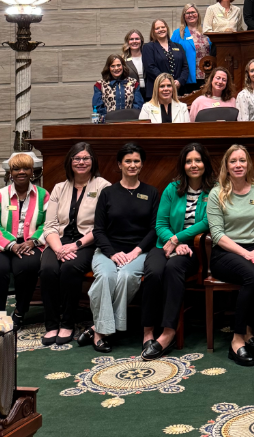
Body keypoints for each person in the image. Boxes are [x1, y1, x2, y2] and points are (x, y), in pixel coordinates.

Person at [79, 143, 159, 353]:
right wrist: (113, 253)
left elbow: (154, 230)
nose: (132, 165)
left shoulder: (151, 193)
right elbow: (98, 230)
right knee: (105, 277)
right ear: (119, 164)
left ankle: (99, 330)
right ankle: (101, 331)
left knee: (125, 277)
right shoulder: (108, 193)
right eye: (128, 161)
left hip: (139, 253)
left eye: (136, 161)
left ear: (142, 164)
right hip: (107, 251)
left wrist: (136, 251)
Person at [141, 143, 215, 360]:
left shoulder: (215, 189)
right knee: (153, 272)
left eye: (198, 160)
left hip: (194, 249)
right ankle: (147, 331)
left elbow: (207, 222)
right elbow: (160, 223)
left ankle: (168, 332)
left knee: (173, 268)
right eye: (189, 161)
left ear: (205, 163)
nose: (194, 165)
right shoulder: (172, 188)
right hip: (163, 244)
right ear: (183, 165)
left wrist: (178, 239)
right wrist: (171, 240)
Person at [207, 144, 254, 367]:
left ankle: (248, 331)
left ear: (248, 164)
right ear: (226, 165)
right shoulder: (217, 193)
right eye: (233, 161)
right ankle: (236, 340)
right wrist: (247, 254)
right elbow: (216, 234)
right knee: (252, 276)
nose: (238, 165)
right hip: (225, 253)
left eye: (242, 160)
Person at [40, 143, 110, 346]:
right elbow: (50, 225)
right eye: (76, 158)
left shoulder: (103, 187)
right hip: (58, 242)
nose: (81, 162)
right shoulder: (59, 188)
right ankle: (52, 324)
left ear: (93, 161)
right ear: (70, 162)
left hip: (86, 243)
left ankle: (68, 323)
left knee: (70, 269)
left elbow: (101, 227)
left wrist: (75, 245)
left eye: (86, 158)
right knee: (47, 269)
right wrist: (59, 249)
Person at [0, 154, 49, 330]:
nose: (21, 172)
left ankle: (19, 312)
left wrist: (33, 241)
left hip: (30, 245)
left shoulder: (43, 195)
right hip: (2, 245)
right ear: (11, 173)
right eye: (17, 168)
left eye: (26, 168)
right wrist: (11, 244)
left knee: (28, 266)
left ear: (32, 172)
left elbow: (47, 223)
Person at [170, 4, 212, 94]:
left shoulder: (206, 30)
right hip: (188, 77)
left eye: (193, 12)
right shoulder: (178, 33)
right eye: (187, 13)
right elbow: (170, 53)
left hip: (207, 75)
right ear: (183, 16)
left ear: (198, 14)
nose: (191, 15)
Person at [142, 19, 189, 99]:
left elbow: (185, 67)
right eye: (157, 28)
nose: (161, 29)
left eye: (163, 27)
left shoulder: (178, 47)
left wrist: (180, 81)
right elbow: (150, 67)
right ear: (153, 31)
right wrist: (167, 82)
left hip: (177, 90)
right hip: (157, 90)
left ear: (166, 28)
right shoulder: (148, 47)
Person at [122, 29, 146, 100]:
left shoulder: (148, 57)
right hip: (132, 95)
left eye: (137, 39)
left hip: (149, 93)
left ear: (141, 41)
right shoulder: (123, 60)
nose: (134, 41)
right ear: (128, 42)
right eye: (131, 39)